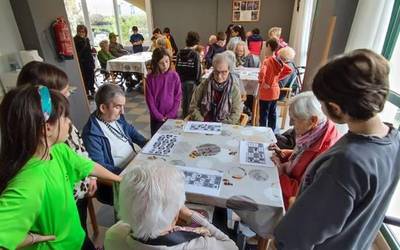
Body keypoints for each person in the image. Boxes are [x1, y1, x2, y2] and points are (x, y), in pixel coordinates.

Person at [273, 49, 400, 249]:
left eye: (322, 103)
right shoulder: (393, 138)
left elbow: (296, 235)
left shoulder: (346, 161)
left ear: (336, 108)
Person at [0, 85, 121, 250]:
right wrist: (32, 238)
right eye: (65, 117)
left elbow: (88, 166)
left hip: (76, 237)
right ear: (47, 128)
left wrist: (120, 180)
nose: (69, 122)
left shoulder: (58, 150)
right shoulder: (30, 182)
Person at [16, 61, 99, 250]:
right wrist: (32, 239)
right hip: (64, 208)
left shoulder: (59, 134)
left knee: (78, 229)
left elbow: (81, 154)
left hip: (77, 198)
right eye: (64, 91)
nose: (69, 95)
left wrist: (92, 175)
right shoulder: (34, 173)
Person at [105, 160, 238, 250]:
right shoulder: (199, 246)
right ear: (175, 215)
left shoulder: (113, 235)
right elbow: (231, 246)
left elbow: (129, 221)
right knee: (220, 213)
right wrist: (191, 215)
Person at [269, 91, 340, 208]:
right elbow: (302, 157)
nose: (291, 124)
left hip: (290, 206)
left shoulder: (326, 153)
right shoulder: (314, 133)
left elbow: (305, 194)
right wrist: (283, 153)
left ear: (313, 120)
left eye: (295, 119)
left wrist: (281, 174)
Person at [82, 84, 148, 205]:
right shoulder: (91, 133)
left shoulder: (116, 116)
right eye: (118, 107)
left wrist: (146, 143)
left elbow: (130, 131)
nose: (122, 111)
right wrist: (128, 172)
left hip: (134, 165)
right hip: (117, 178)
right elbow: (100, 166)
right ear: (103, 108)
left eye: (123, 106)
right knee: (151, 194)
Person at [189, 53, 242, 124]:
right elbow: (193, 107)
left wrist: (221, 126)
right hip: (204, 123)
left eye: (223, 72)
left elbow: (236, 113)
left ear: (229, 71)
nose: (219, 76)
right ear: (213, 70)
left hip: (225, 125)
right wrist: (202, 121)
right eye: (217, 72)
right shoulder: (204, 85)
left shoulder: (234, 89)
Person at [145, 48, 182, 135]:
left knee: (171, 137)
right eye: (161, 63)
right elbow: (149, 100)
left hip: (172, 116)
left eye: (167, 61)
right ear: (156, 63)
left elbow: (178, 97)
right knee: (156, 139)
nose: (165, 65)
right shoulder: (150, 78)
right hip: (156, 118)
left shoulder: (174, 76)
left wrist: (172, 113)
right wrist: (158, 116)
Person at [258, 39, 292, 130]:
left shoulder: (267, 60)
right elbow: (289, 70)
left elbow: (262, 73)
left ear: (268, 47)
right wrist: (276, 79)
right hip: (275, 91)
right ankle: (272, 131)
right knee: (272, 113)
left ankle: (262, 131)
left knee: (263, 113)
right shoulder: (277, 60)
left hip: (266, 92)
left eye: (265, 47)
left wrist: (264, 82)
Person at [176, 31, 202, 118]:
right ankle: (189, 119)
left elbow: (177, 68)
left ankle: (184, 117)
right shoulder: (195, 54)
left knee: (184, 101)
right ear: (196, 42)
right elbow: (197, 71)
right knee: (192, 103)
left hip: (181, 81)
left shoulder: (179, 53)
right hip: (192, 82)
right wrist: (199, 82)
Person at [74, 24, 95, 98]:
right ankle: (87, 93)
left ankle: (92, 90)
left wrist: (92, 50)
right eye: (80, 31)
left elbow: (88, 51)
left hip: (89, 60)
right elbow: (77, 52)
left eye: (84, 31)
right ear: (78, 31)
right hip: (82, 62)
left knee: (91, 76)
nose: (82, 33)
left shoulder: (86, 39)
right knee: (85, 78)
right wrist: (84, 43)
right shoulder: (75, 40)